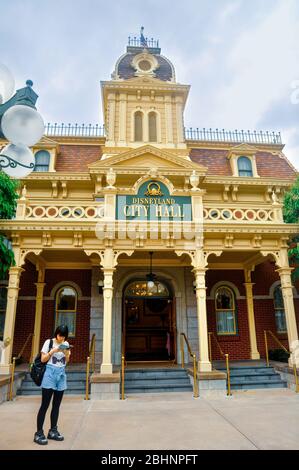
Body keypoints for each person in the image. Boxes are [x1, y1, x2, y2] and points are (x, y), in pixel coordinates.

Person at [34, 325, 71, 445]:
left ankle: (53, 431)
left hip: (61, 374)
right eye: (60, 335)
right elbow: (43, 359)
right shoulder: (48, 342)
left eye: (63, 336)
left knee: (56, 405)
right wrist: (53, 351)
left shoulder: (66, 343)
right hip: (49, 374)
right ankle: (39, 433)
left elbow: (67, 361)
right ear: (56, 333)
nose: (61, 338)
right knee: (45, 405)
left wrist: (66, 352)